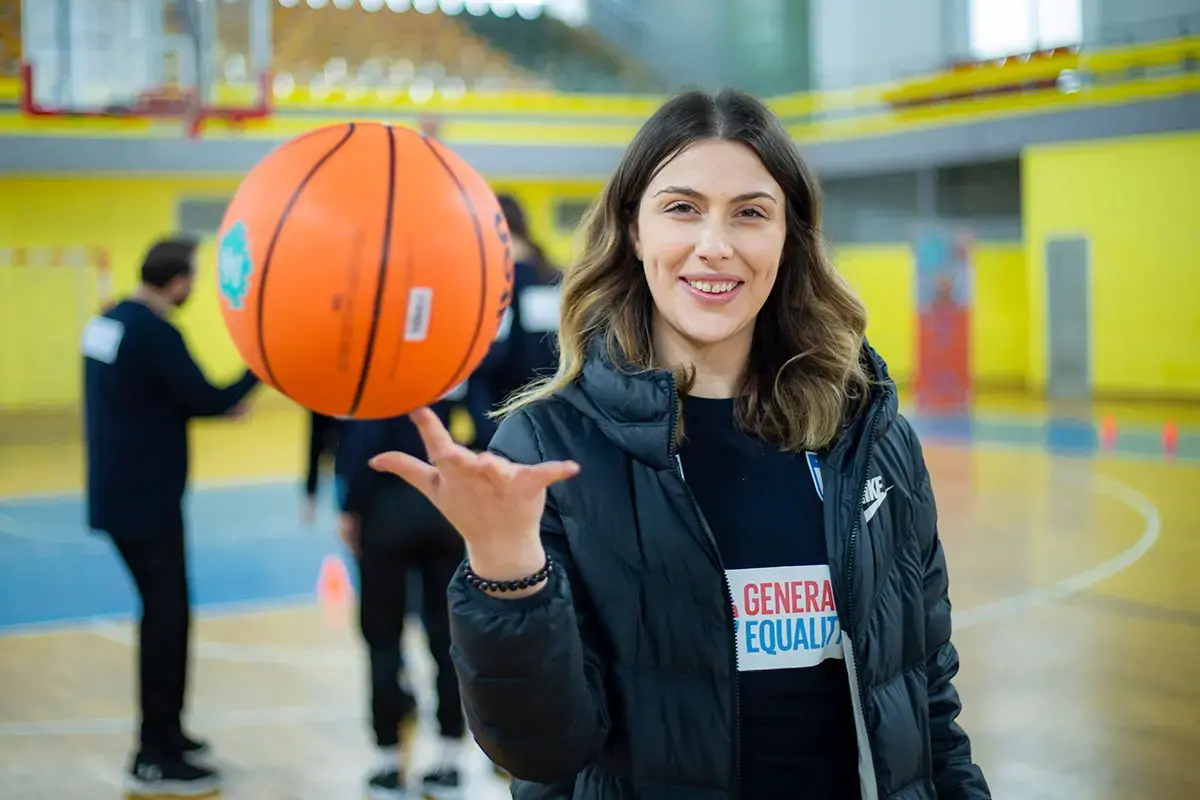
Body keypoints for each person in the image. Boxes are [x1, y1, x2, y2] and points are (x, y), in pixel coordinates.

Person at [369, 89, 992, 799]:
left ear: (790, 236)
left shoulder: (870, 440)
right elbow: (542, 750)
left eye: (751, 213)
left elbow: (926, 702)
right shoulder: (548, 446)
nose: (715, 245)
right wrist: (507, 571)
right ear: (634, 231)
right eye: (682, 208)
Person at [81, 235, 259, 797]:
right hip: (147, 503)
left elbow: (150, 393)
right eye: (194, 277)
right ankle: (153, 755)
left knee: (163, 617)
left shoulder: (106, 323)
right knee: (166, 622)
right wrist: (262, 364)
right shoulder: (156, 331)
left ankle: (168, 734)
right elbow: (207, 397)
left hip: (116, 493)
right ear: (178, 281)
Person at [334, 383, 483, 800]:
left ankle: (386, 764)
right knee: (447, 639)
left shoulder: (382, 374)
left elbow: (366, 443)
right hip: (442, 509)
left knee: (382, 641)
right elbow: (484, 422)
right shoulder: (450, 364)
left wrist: (349, 508)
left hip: (386, 514)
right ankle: (451, 760)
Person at [303, 410, 340, 522]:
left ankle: (345, 506)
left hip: (339, 409)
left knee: (342, 451)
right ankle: (310, 499)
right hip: (323, 408)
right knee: (316, 448)